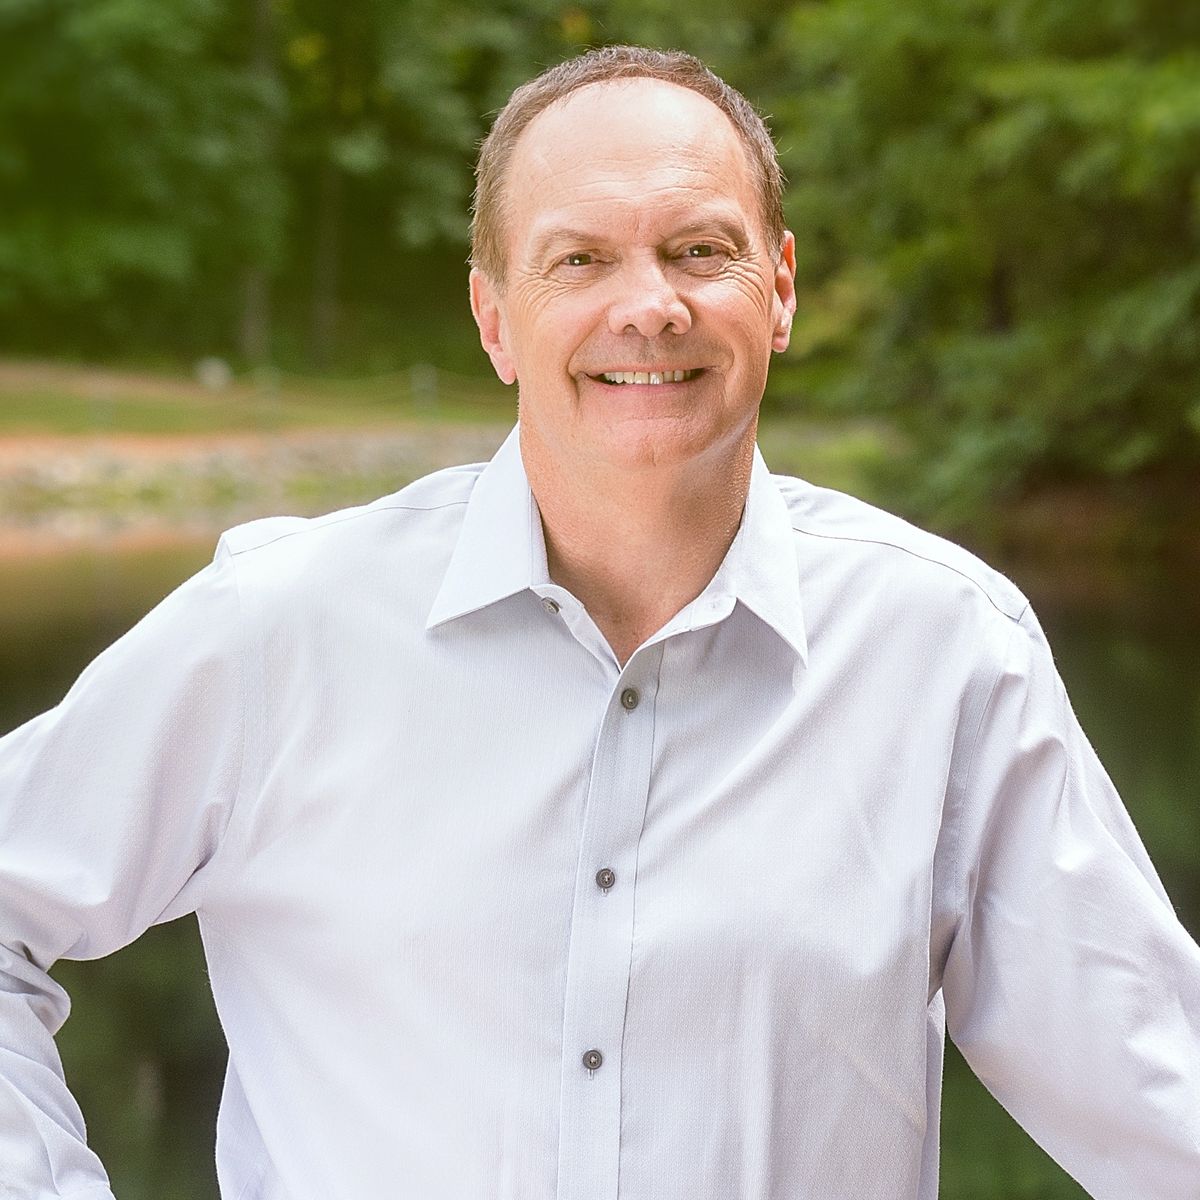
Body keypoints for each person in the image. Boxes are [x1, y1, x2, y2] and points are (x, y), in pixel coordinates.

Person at [0, 44, 1197, 1200]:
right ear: (493, 319)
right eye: (579, 260)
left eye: (699, 251)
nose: (650, 307)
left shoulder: (944, 651)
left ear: (780, 288)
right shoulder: (282, 631)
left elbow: (1160, 1095)